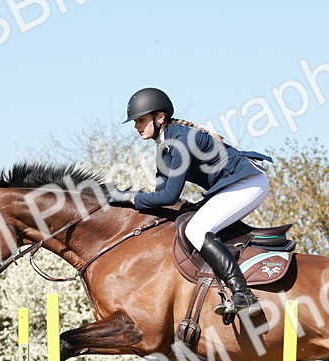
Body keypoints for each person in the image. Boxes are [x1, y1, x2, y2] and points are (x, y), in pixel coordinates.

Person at [106, 87, 271, 317]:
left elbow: (168, 197)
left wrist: (129, 197)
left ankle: (243, 294)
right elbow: (160, 198)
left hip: (249, 183)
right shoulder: (165, 146)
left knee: (197, 229)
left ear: (160, 117)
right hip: (232, 185)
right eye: (136, 121)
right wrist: (125, 202)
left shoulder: (179, 142)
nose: (136, 126)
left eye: (141, 120)